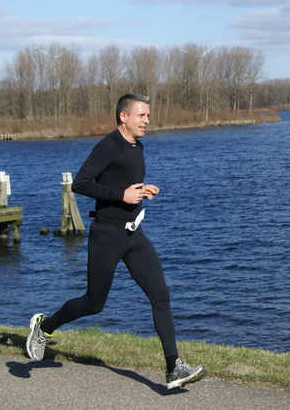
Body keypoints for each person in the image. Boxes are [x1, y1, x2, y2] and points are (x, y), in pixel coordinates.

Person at [26, 93, 206, 390]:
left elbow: (124, 182)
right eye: (142, 115)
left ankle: (173, 367)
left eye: (148, 115)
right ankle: (43, 327)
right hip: (107, 236)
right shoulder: (108, 145)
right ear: (124, 116)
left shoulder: (137, 146)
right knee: (93, 303)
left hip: (134, 235)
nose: (148, 120)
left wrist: (140, 190)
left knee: (160, 296)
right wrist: (121, 195)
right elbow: (81, 183)